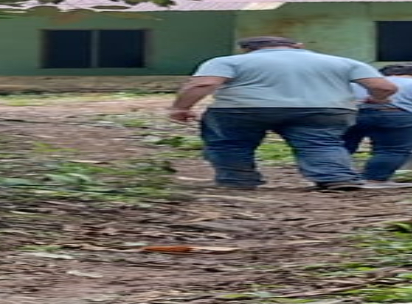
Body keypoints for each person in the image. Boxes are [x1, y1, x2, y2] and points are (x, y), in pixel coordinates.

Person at [167, 36, 397, 191]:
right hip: (325, 108)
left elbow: (202, 85)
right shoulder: (342, 62)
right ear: (298, 46)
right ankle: (336, 178)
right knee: (321, 143)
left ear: (247, 49)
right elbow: (384, 87)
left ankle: (237, 181)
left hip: (243, 109)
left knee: (230, 143)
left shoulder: (228, 61)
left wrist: (181, 108)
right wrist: (377, 99)